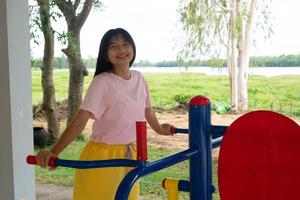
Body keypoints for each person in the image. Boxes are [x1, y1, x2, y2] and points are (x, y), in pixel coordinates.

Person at [36, 28, 175, 200]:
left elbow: (147, 111)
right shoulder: (102, 82)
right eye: (114, 46)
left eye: (125, 44)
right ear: (105, 54)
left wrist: (160, 129)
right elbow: (80, 121)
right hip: (103, 157)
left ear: (133, 48)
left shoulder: (139, 78)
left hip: (131, 155)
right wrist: (54, 151)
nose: (121, 50)